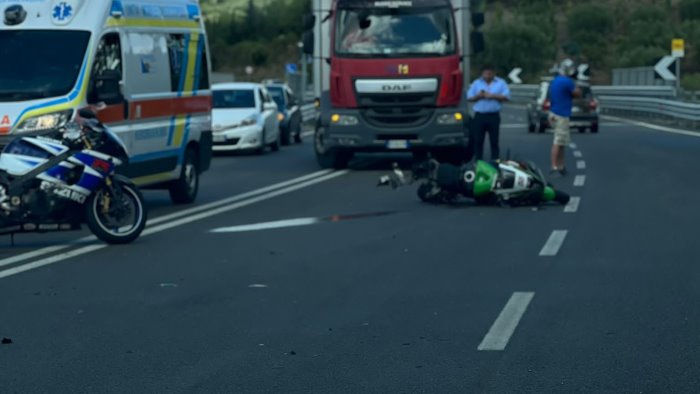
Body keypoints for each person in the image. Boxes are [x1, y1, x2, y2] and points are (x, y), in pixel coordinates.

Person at [466, 64, 511, 161]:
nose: (488, 75)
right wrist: (478, 96)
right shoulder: (476, 83)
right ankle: (478, 163)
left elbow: (507, 96)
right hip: (480, 116)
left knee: (494, 141)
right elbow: (469, 97)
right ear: (482, 73)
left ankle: (495, 162)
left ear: (494, 73)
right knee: (478, 141)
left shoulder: (501, 83)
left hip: (493, 116)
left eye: (490, 73)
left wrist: (493, 96)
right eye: (486, 73)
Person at [548, 59, 582, 176]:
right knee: (558, 141)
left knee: (562, 141)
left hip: (554, 112)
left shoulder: (555, 80)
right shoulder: (567, 82)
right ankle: (554, 166)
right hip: (562, 113)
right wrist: (576, 83)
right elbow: (577, 93)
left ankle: (561, 165)